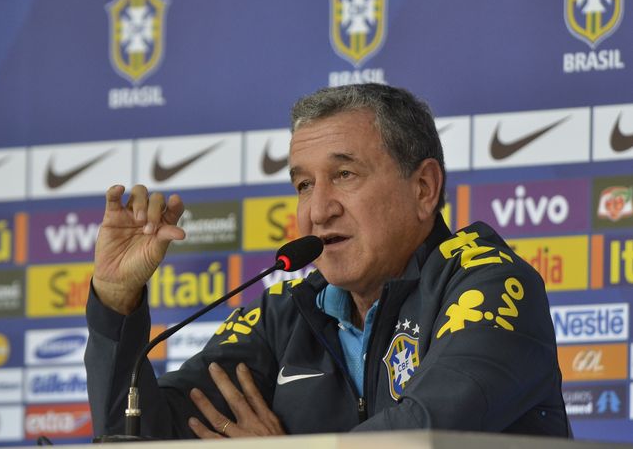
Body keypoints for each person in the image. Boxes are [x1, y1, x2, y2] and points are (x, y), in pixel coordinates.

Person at [85, 83, 571, 439]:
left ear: (423, 188)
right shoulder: (284, 316)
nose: (319, 209)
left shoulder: (489, 284)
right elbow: (138, 437)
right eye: (303, 185)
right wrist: (115, 301)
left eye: (344, 174)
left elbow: (423, 435)